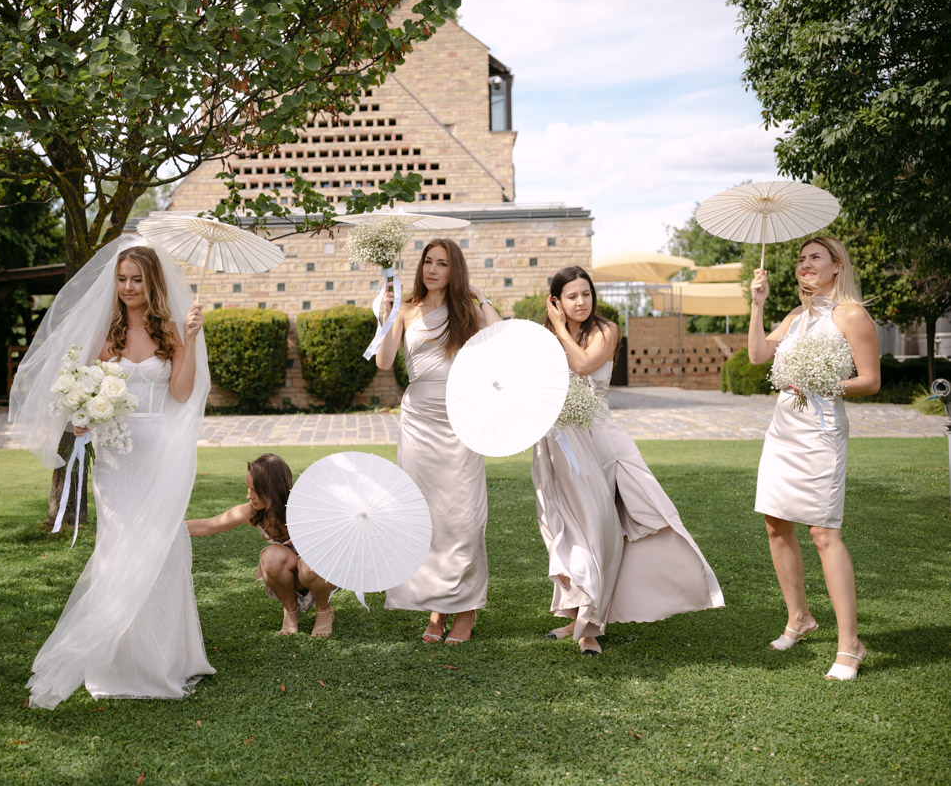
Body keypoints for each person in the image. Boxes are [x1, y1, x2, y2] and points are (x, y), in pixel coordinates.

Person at [10, 236, 214, 708]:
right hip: (116, 457)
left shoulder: (173, 332)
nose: (127, 287)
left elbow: (181, 394)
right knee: (118, 546)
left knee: (163, 547)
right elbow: (81, 392)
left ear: (152, 282)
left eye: (136, 279)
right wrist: (81, 417)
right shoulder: (107, 335)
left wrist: (191, 339)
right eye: (122, 279)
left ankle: (162, 659)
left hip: (159, 451)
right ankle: (115, 658)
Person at [533, 266, 724, 656]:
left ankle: (590, 626)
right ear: (556, 300)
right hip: (558, 444)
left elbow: (583, 365)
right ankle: (577, 613)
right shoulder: (544, 337)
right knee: (565, 530)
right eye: (571, 296)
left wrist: (560, 328)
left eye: (586, 294)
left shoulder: (607, 330)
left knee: (599, 528)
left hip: (600, 442)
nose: (581, 302)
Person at [748, 236, 879, 680]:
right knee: (775, 523)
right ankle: (799, 618)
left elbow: (871, 380)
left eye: (815, 257)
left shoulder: (852, 315)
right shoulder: (795, 316)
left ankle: (850, 644)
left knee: (823, 532)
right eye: (801, 258)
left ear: (837, 265)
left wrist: (825, 384)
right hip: (783, 430)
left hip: (820, 433)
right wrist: (757, 304)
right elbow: (757, 355)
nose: (805, 264)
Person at [375, 239, 501, 643]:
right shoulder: (406, 308)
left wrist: (479, 296)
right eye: (428, 262)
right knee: (424, 515)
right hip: (418, 422)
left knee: (463, 517)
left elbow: (500, 340)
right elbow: (383, 361)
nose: (432, 269)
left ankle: (465, 608)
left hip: (460, 419)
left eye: (442, 264)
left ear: (454, 270)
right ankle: (436, 610)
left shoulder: (465, 311)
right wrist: (386, 316)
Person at [187, 453, 337, 637]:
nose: (248, 496)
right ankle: (291, 611)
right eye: (248, 488)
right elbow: (207, 525)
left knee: (308, 567)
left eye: (255, 490)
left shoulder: (305, 507)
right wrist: (169, 529)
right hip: (287, 571)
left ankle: (324, 610)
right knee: (271, 559)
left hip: (316, 571)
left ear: (272, 489)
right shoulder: (253, 512)